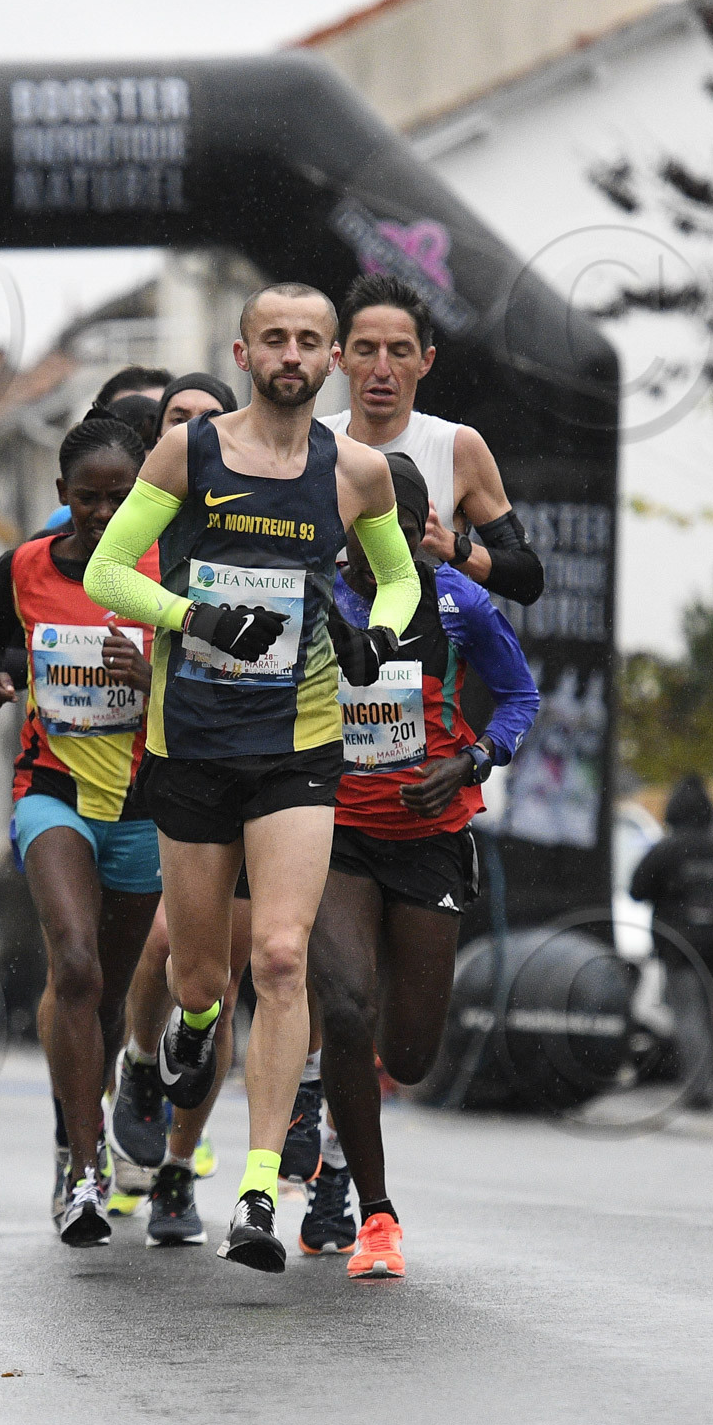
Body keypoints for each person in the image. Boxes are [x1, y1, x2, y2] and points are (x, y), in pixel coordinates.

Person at [85, 282, 420, 1272]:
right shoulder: (187, 454)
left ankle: (258, 1189)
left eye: (309, 340)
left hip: (298, 744)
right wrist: (193, 617)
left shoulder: (356, 470)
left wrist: (377, 634)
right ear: (242, 353)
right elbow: (109, 571)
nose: (290, 354)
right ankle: (190, 1028)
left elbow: (399, 578)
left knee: (278, 957)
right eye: (273, 337)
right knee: (200, 979)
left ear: (332, 360)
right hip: (191, 740)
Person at [303, 452, 539, 1278]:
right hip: (334, 830)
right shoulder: (318, 597)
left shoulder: (457, 600)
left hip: (430, 834)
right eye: (371, 530)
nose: (389, 546)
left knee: (406, 1057)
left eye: (406, 530)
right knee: (343, 1007)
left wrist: (470, 760)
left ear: (424, 531)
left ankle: (337, 1108)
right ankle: (374, 1212)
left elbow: (519, 698)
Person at [0, 415, 162, 1247]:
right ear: (61, 496)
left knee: (108, 997)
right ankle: (83, 1172)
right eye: (88, 498)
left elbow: (221, 674)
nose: (104, 512)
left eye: (121, 497)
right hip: (53, 790)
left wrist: (152, 676)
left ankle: (87, 1121)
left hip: (146, 804)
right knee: (74, 967)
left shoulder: (169, 569)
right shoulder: (25, 566)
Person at [107, 369, 244, 1245]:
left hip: (258, 763)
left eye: (208, 418)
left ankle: (176, 1171)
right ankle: (135, 1067)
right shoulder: (136, 526)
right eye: (175, 418)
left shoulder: (260, 515)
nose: (191, 432)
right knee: (167, 948)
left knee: (216, 984)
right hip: (160, 765)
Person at [320, 273, 544, 606]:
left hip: (426, 637)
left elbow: (528, 578)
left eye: (400, 352)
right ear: (340, 359)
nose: (382, 369)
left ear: (425, 361)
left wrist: (451, 546)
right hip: (330, 639)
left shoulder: (457, 447)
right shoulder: (312, 443)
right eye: (365, 350)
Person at [630, 776, 713, 1108]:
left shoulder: (667, 850)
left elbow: (637, 889)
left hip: (677, 945)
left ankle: (701, 1088)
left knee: (688, 1014)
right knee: (709, 1013)